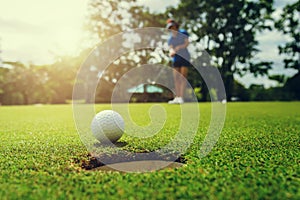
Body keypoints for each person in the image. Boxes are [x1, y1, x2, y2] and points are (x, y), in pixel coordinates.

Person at [166, 19, 191, 104]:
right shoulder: (170, 38)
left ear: (175, 26)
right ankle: (177, 97)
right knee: (176, 78)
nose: (171, 29)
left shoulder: (183, 32)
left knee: (182, 77)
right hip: (176, 59)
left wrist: (179, 47)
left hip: (184, 57)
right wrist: (172, 52)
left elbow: (187, 43)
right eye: (170, 28)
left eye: (172, 27)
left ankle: (181, 97)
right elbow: (170, 48)